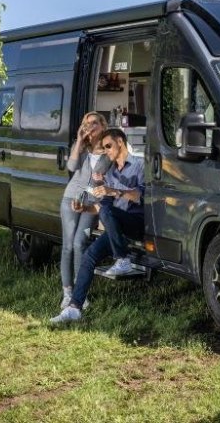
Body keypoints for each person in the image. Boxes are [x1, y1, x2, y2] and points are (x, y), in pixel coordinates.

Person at [50, 128, 145, 324]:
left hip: (136, 222)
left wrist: (114, 191)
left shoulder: (139, 165)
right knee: (89, 255)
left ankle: (123, 259)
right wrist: (83, 208)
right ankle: (74, 307)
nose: (107, 151)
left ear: (120, 142)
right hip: (116, 226)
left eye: (109, 146)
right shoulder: (109, 172)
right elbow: (101, 208)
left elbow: (141, 196)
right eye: (104, 148)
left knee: (108, 211)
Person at [58, 111, 108, 310]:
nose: (91, 126)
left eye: (95, 123)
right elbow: (70, 166)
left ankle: (80, 294)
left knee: (80, 244)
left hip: (91, 203)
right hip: (71, 199)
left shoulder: (109, 149)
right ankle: (67, 292)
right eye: (87, 123)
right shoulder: (81, 148)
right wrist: (79, 141)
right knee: (68, 246)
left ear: (103, 126)